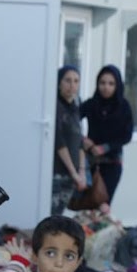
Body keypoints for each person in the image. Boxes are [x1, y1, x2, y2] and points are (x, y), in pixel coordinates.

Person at [80, 65, 134, 214]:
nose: (106, 87)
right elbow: (71, 122)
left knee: (103, 204)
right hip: (91, 162)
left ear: (117, 85)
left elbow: (127, 135)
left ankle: (102, 228)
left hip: (112, 162)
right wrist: (83, 140)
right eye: (102, 83)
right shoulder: (91, 104)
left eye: (111, 84)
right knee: (89, 204)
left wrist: (105, 147)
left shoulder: (123, 107)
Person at [52, 66, 86, 216]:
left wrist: (82, 172)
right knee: (52, 215)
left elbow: (80, 141)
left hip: (73, 175)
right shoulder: (55, 106)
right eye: (67, 80)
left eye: (76, 81)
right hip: (58, 172)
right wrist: (74, 173)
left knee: (60, 214)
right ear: (59, 83)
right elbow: (59, 143)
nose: (72, 85)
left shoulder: (76, 107)